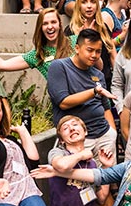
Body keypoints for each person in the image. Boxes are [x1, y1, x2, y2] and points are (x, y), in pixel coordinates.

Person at [46, 29, 119, 158]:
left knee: (107, 177)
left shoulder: (98, 75)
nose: (94, 55)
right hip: (76, 139)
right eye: (90, 50)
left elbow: (106, 107)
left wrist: (113, 133)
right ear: (77, 48)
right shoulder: (59, 67)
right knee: (79, 177)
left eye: (98, 51)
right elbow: (63, 102)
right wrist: (94, 91)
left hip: (104, 136)